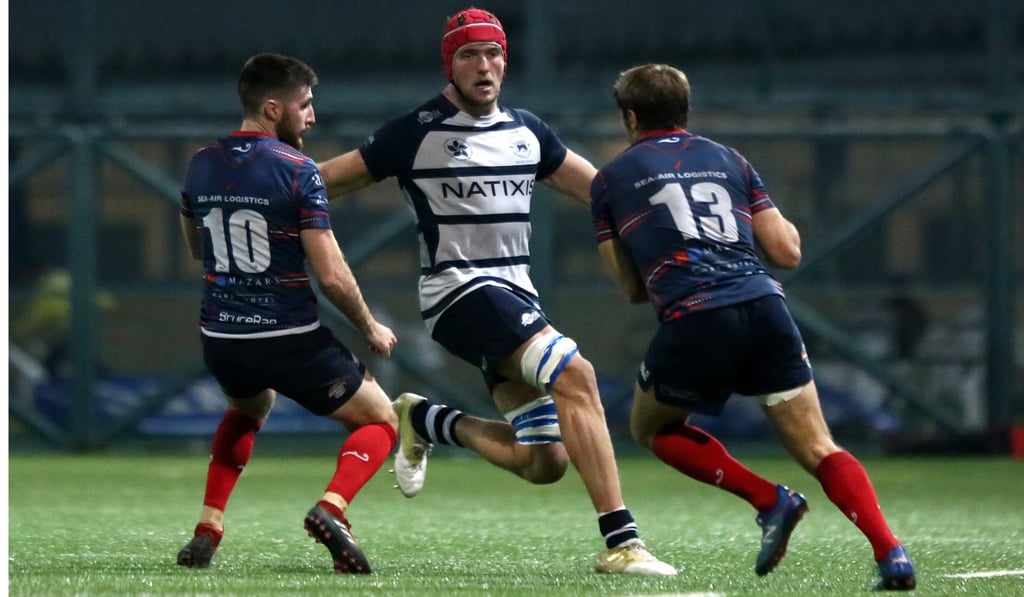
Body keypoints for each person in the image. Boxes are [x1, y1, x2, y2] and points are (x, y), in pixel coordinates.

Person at [316, 8, 675, 576]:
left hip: (514, 299)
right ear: (450, 64)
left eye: (493, 54)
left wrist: (670, 202)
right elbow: (321, 182)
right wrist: (260, 194)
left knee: (544, 461)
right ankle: (622, 542)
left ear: (506, 61)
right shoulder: (415, 132)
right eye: (469, 55)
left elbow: (604, 192)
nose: (483, 66)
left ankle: (427, 420)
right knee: (576, 375)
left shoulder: (528, 132)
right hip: (459, 294)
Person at [590, 63, 917, 591]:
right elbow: (787, 251)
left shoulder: (610, 180)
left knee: (650, 428)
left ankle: (771, 500)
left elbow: (631, 290)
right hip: (765, 306)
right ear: (685, 109)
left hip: (694, 316)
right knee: (819, 446)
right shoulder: (729, 159)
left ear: (629, 116)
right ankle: (891, 552)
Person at [176, 52, 403, 574]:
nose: (312, 116)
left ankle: (209, 525)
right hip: (290, 339)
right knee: (381, 420)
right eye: (305, 105)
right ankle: (332, 509)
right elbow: (331, 275)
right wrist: (370, 326)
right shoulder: (298, 171)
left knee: (247, 410)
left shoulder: (200, 162)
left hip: (222, 336)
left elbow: (196, 246)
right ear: (274, 109)